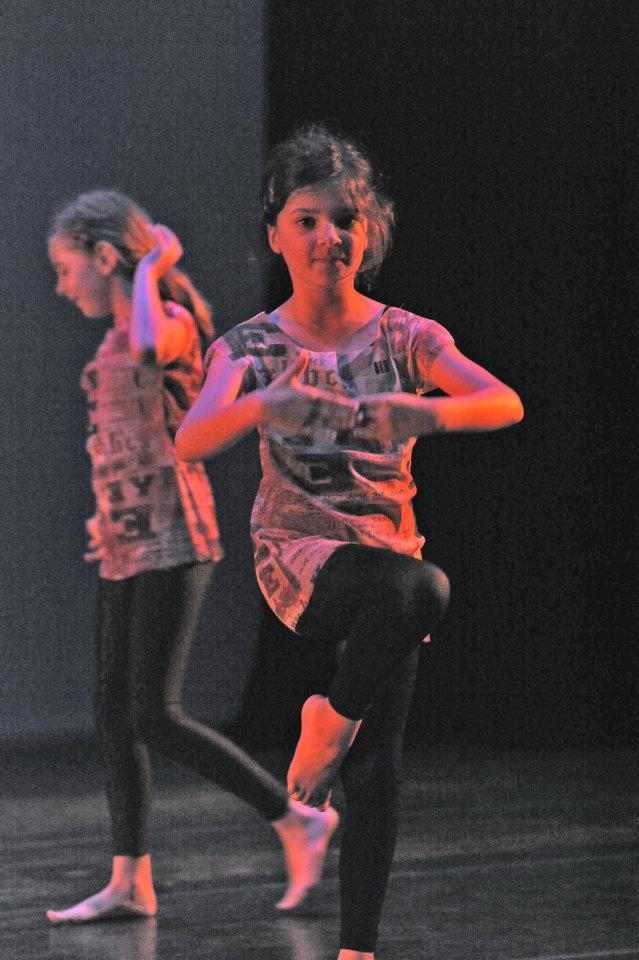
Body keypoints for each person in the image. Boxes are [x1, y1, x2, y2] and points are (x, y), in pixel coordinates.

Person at [175, 126, 524, 960]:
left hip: (384, 561)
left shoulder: (406, 336)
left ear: (368, 232)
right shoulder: (253, 346)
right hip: (300, 561)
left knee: (378, 765)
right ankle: (324, 722)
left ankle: (356, 950)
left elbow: (503, 400)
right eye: (306, 220)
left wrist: (422, 413)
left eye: (344, 219)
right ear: (276, 233)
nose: (327, 236)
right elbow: (192, 438)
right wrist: (261, 404)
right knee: (421, 587)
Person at [45, 189, 339, 925]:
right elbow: (122, 446)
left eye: (66, 269)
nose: (61, 286)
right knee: (115, 712)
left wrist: (152, 270)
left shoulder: (166, 322)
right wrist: (106, 516)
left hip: (175, 539)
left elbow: (150, 348)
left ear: (104, 258)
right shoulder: (110, 344)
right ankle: (130, 881)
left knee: (154, 713)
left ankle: (294, 817)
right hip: (126, 543)